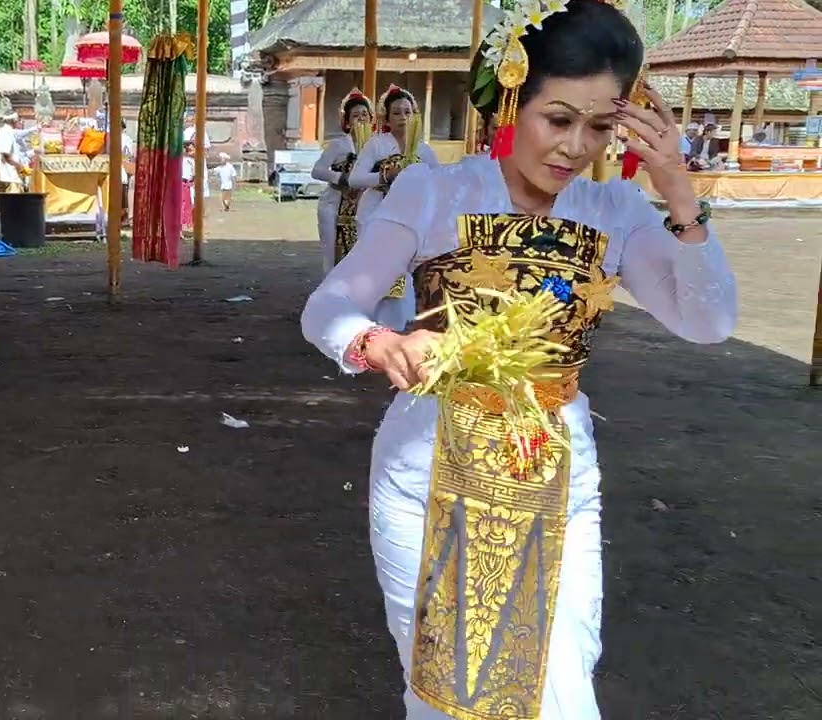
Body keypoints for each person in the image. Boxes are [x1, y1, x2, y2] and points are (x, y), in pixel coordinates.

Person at [300, 1, 737, 717]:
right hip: (427, 474)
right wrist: (381, 343)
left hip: (557, 476)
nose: (574, 147)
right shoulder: (433, 191)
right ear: (514, 98)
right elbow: (330, 306)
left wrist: (679, 191)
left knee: (560, 693)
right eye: (557, 119)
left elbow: (708, 321)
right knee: (445, 695)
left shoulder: (616, 212)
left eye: (600, 128)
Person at [349, 84, 440, 331]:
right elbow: (354, 179)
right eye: (397, 112)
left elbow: (438, 182)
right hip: (375, 215)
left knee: (404, 272)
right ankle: (370, 323)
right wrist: (386, 177)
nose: (403, 117)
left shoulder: (424, 149)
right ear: (387, 118)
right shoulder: (377, 145)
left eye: (407, 112)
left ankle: (399, 323)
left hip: (409, 219)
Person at [311, 89, 373, 275]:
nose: (361, 119)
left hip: (365, 205)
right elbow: (317, 171)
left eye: (364, 114)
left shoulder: (376, 145)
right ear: (347, 122)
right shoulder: (338, 145)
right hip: (335, 205)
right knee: (332, 257)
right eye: (355, 115)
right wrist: (341, 178)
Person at [0, 112, 27, 194]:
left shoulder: (3, 131)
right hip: (10, 177)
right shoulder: (7, 132)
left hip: (5, 176)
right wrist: (19, 166)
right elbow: (5, 154)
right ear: (14, 121)